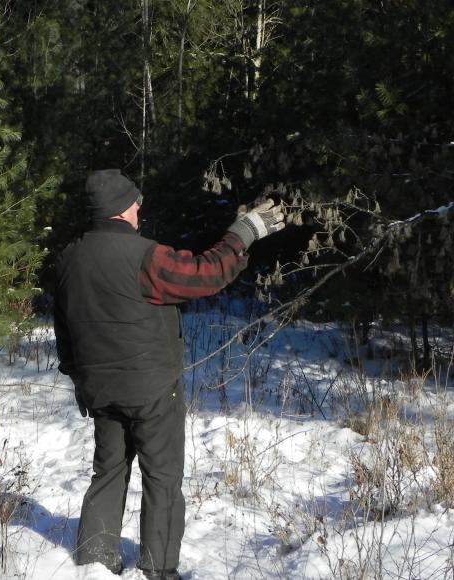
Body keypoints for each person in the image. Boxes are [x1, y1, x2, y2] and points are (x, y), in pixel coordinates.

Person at [54, 169, 285, 579]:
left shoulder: (69, 258)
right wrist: (243, 233)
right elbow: (205, 274)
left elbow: (63, 326)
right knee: (162, 476)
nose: (140, 206)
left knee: (108, 471)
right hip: (152, 390)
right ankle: (159, 568)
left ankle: (94, 559)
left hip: (100, 389)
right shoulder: (145, 256)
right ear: (122, 209)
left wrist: (78, 378)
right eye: (134, 201)